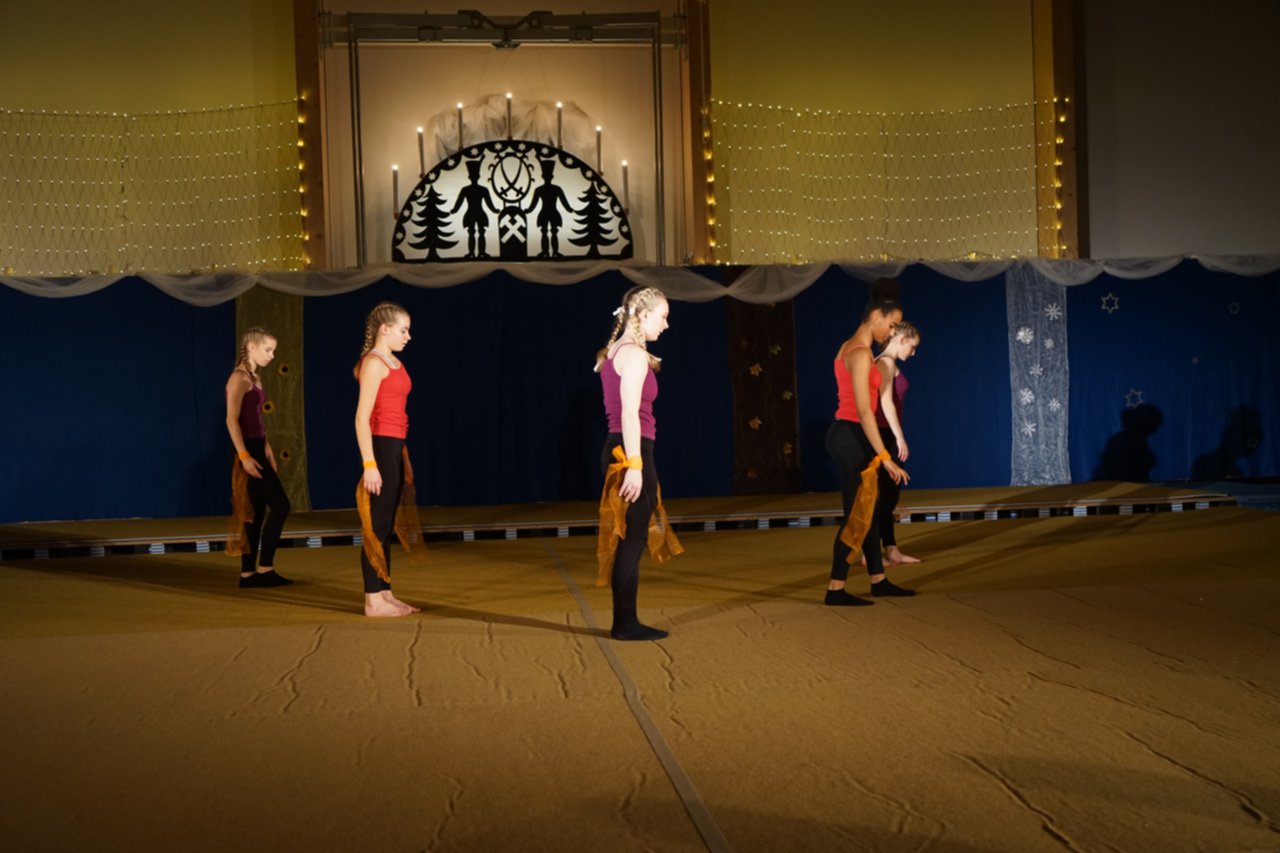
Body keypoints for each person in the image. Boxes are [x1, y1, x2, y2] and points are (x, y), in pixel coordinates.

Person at [596, 286, 682, 641]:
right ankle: (625, 622)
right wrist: (634, 464)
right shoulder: (632, 354)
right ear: (643, 315)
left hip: (627, 447)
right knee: (633, 539)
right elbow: (629, 413)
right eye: (663, 316)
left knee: (632, 537)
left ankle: (626, 620)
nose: (666, 325)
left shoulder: (618, 351)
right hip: (630, 450)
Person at [825, 279, 914, 605]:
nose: (891, 333)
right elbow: (864, 411)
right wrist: (886, 457)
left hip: (851, 434)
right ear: (876, 316)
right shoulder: (860, 353)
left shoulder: (849, 346)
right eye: (891, 325)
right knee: (857, 514)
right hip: (850, 435)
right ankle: (835, 589)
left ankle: (878, 580)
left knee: (870, 510)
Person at [355, 302, 423, 618]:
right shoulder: (373, 363)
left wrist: (401, 456)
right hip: (380, 447)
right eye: (403, 330)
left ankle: (385, 592)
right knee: (377, 524)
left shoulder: (393, 361)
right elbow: (361, 418)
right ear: (385, 329)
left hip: (394, 446)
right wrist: (370, 464)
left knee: (386, 523)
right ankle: (372, 600)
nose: (408, 337)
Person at [225, 327, 293, 588]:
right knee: (281, 506)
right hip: (247, 450)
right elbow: (231, 420)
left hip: (257, 447)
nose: (272, 355)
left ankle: (248, 574)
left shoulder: (255, 377)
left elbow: (256, 420)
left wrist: (268, 448)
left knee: (256, 511)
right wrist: (244, 456)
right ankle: (265, 569)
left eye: (273, 351)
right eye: (268, 350)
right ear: (251, 347)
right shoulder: (239, 378)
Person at [874, 322, 923, 566]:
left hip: (887, 433)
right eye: (912, 347)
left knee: (889, 495)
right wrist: (899, 436)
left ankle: (891, 549)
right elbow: (886, 403)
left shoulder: (887, 363)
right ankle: (871, 553)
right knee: (883, 496)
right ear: (901, 340)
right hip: (883, 434)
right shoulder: (885, 363)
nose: (913, 353)